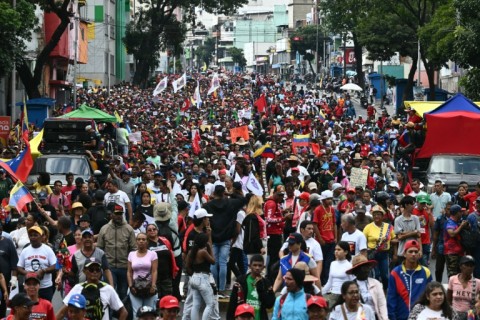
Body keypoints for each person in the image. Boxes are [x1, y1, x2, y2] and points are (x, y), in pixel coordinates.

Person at [203, 185, 246, 296]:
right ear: (223, 193)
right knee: (223, 263)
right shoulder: (230, 203)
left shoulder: (208, 205)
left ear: (214, 193)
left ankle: (214, 287)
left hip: (213, 238)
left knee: (213, 263)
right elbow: (243, 199)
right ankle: (221, 288)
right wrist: (230, 194)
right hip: (226, 238)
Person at [56, 258, 128, 320]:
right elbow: (62, 312)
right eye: (91, 269)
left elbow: (124, 312)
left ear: (101, 272)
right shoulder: (78, 288)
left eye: (97, 269)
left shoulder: (108, 289)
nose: (94, 272)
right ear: (84, 271)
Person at [97, 203, 137, 301]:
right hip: (109, 267)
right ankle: (110, 315)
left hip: (124, 267)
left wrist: (132, 266)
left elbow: (134, 249)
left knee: (123, 293)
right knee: (109, 292)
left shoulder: (129, 229)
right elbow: (100, 248)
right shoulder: (104, 229)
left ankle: (121, 314)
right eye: (116, 214)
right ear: (111, 215)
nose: (118, 216)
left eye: (120, 214)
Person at [387, 239, 432, 320]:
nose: (413, 254)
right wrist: (392, 317)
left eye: (416, 251)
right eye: (410, 251)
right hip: (401, 317)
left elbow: (430, 296)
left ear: (419, 254)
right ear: (404, 254)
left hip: (421, 317)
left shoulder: (426, 272)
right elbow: (391, 298)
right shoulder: (395, 273)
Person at [227, 254, 275, 320]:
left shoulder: (266, 283)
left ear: (263, 267)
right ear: (250, 266)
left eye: (260, 265)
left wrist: (261, 290)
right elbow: (232, 303)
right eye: (255, 265)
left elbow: (269, 304)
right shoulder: (240, 281)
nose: (257, 268)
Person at [17, 226, 57, 300]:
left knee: (45, 309)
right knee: (28, 309)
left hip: (45, 287)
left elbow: (55, 265)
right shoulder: (25, 250)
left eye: (35, 235)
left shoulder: (48, 249)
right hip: (29, 288)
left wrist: (44, 271)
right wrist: (26, 273)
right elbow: (19, 267)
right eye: (31, 235)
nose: (33, 237)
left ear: (41, 237)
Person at [183, 232, 216, 320]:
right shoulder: (203, 252)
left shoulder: (191, 252)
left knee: (196, 304)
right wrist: (210, 248)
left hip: (194, 277)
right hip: (203, 278)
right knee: (210, 304)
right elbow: (213, 261)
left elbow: (187, 266)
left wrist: (193, 273)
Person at [345, 255, 388, 320]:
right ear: (356, 271)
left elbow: (382, 304)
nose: (367, 270)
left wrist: (385, 318)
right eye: (363, 268)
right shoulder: (350, 287)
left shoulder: (376, 283)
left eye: (367, 267)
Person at [362, 205, 395, 289]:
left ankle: (385, 291)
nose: (376, 216)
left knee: (385, 276)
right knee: (375, 275)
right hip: (372, 254)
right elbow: (363, 242)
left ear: (382, 216)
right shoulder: (368, 227)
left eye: (378, 214)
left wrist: (395, 252)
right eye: (375, 214)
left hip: (384, 254)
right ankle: (376, 292)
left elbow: (394, 239)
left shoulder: (388, 227)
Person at [127, 232, 158, 318]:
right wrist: (130, 286)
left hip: (149, 287)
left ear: (147, 241)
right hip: (135, 288)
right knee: (136, 313)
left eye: (143, 239)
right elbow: (129, 272)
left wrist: (153, 285)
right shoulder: (131, 254)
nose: (141, 241)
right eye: (139, 239)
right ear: (136, 241)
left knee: (150, 312)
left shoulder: (153, 254)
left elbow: (154, 271)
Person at [321, 241, 354, 307]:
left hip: (344, 296)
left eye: (339, 250)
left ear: (346, 252)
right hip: (333, 295)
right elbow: (329, 282)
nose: (336, 251)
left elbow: (352, 283)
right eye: (335, 249)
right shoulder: (333, 264)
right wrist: (321, 293)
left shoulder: (349, 266)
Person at [447, 255, 480, 319]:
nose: (469, 268)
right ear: (460, 266)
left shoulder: (478, 282)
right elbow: (448, 299)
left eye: (471, 266)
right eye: (466, 265)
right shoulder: (453, 279)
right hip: (455, 313)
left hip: (470, 315)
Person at [445, 204, 467, 277]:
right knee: (452, 275)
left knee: (460, 274)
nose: (462, 213)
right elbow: (452, 234)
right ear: (457, 213)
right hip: (451, 252)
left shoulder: (458, 221)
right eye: (461, 212)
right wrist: (461, 226)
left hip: (459, 251)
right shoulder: (450, 222)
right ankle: (451, 288)